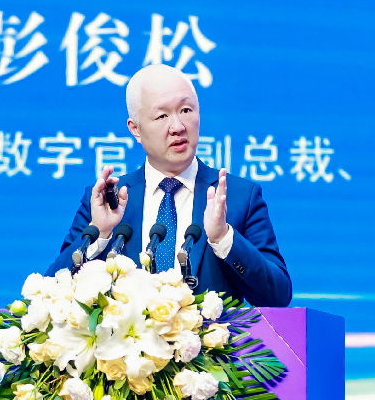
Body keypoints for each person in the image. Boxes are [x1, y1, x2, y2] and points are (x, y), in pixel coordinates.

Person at [46, 64, 291, 307]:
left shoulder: (237, 197)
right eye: (162, 116)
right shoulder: (107, 201)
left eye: (186, 110)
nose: (178, 127)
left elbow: (278, 295)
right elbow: (49, 293)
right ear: (135, 129)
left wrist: (223, 238)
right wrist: (100, 233)